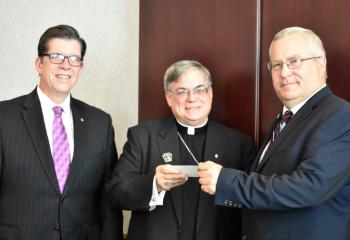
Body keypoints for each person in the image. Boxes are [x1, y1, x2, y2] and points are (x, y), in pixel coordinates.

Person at [198, 26, 350, 240]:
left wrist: (226, 181)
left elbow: (308, 187)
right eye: (277, 65)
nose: (284, 72)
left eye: (294, 61)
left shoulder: (341, 116)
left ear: (320, 64)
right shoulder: (286, 118)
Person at [106, 60, 256, 240]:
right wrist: (154, 184)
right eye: (182, 91)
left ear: (210, 94)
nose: (192, 98)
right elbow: (115, 192)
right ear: (169, 97)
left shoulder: (239, 144)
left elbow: (251, 200)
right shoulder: (143, 136)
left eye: (200, 89)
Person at [0, 25, 123, 239]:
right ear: (39, 64)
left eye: (74, 59)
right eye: (56, 57)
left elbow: (108, 200)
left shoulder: (100, 122)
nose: (66, 65)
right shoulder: (4, 116)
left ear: (81, 67)